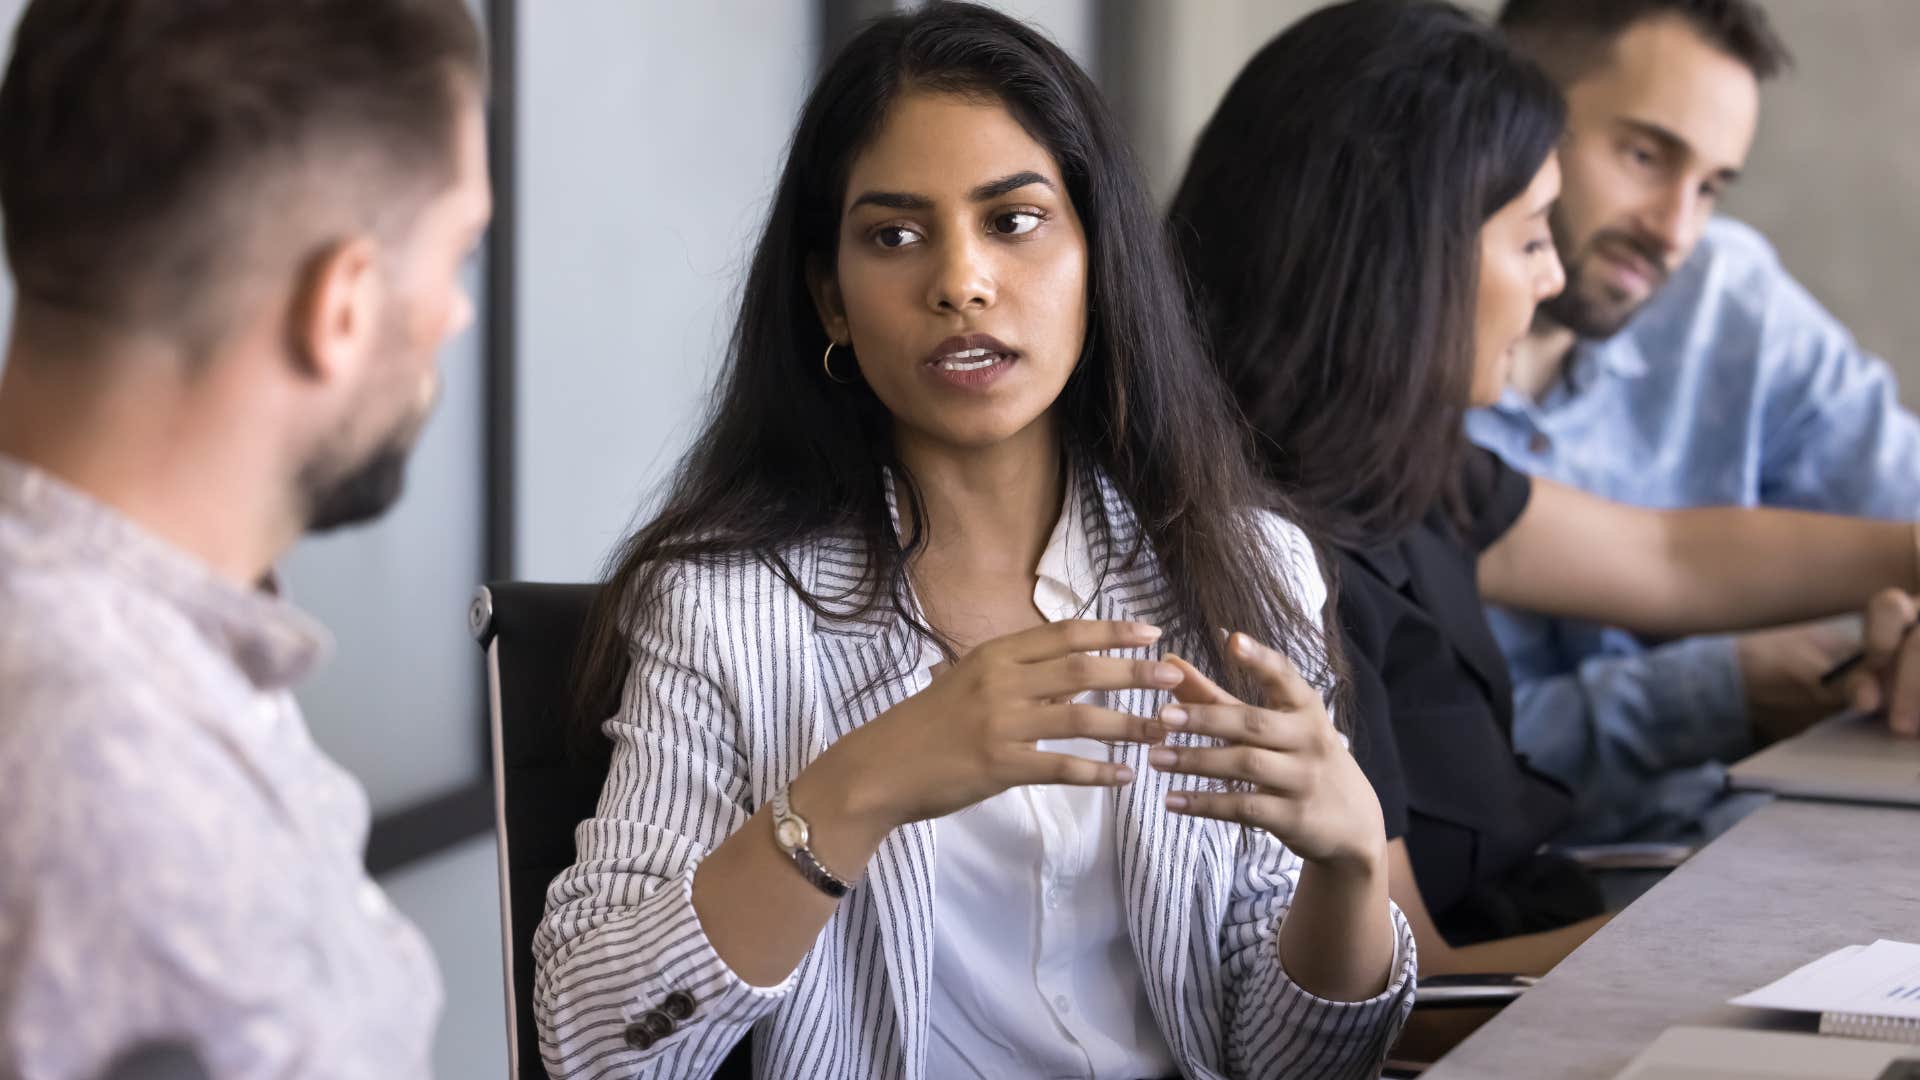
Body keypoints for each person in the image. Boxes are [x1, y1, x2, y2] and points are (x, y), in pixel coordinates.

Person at [534, 4, 1415, 1077]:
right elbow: (595, 1042)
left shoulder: (1244, 566)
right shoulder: (723, 606)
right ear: (832, 300)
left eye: (1014, 221)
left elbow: (1292, 1065)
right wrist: (859, 787)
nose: (960, 282)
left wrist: (1348, 868)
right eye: (894, 236)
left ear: (1098, 255)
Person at [1171, 0, 1920, 991]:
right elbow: (1406, 991)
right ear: (1413, 251)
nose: (1553, 274)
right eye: (1529, 239)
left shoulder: (1397, 458)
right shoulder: (1269, 563)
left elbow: (1669, 558)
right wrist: (1766, 923)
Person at [0, 1, 492, 1076]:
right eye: (456, 250)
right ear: (345, 305)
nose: (455, 315)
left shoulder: (142, 658)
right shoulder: (131, 804)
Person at [1465, 0, 1920, 845]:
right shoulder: (1383, 398)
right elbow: (1426, 773)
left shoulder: (1726, 294)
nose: (1676, 231)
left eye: (1710, 186)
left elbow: (1906, 497)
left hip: (1763, 854)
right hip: (1513, 918)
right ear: (1508, 119)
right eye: (1644, 155)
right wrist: (1720, 694)